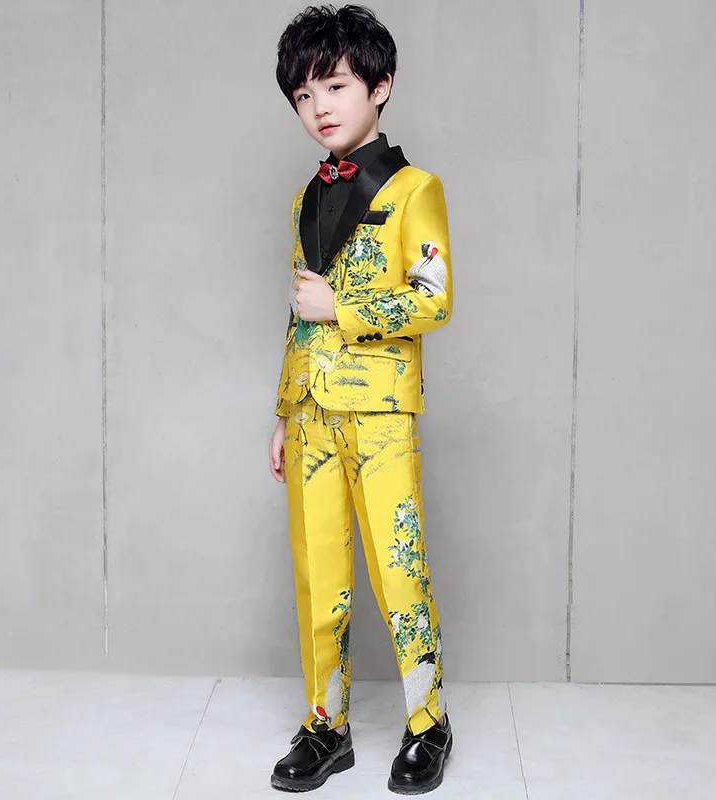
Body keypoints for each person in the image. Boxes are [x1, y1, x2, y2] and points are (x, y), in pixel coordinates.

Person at [267, 5, 454, 794]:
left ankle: (427, 723)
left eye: (336, 86)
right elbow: (296, 316)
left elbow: (435, 299)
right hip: (312, 415)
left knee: (398, 571)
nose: (320, 108)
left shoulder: (416, 189)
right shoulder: (304, 198)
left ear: (381, 86)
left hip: (380, 415)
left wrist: (340, 307)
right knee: (319, 577)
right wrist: (283, 412)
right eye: (304, 96)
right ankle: (327, 725)